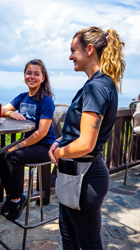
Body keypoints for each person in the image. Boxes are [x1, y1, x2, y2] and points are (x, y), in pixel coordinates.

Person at [49, 26, 125, 249]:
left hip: (84, 178)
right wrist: (59, 142)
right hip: (78, 176)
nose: (70, 55)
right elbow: (80, 132)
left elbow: (86, 143)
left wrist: (59, 153)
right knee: (71, 238)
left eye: (73, 50)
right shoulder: (101, 83)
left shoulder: (95, 88)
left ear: (89, 49)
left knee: (87, 243)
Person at [0, 59, 56, 221]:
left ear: (43, 78)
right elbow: (1, 111)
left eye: (37, 74)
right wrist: (10, 113)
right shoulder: (22, 97)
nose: (32, 77)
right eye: (29, 73)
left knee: (13, 157)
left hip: (45, 147)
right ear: (24, 76)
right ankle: (14, 196)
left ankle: (16, 200)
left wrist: (19, 146)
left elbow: (42, 132)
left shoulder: (46, 100)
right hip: (29, 145)